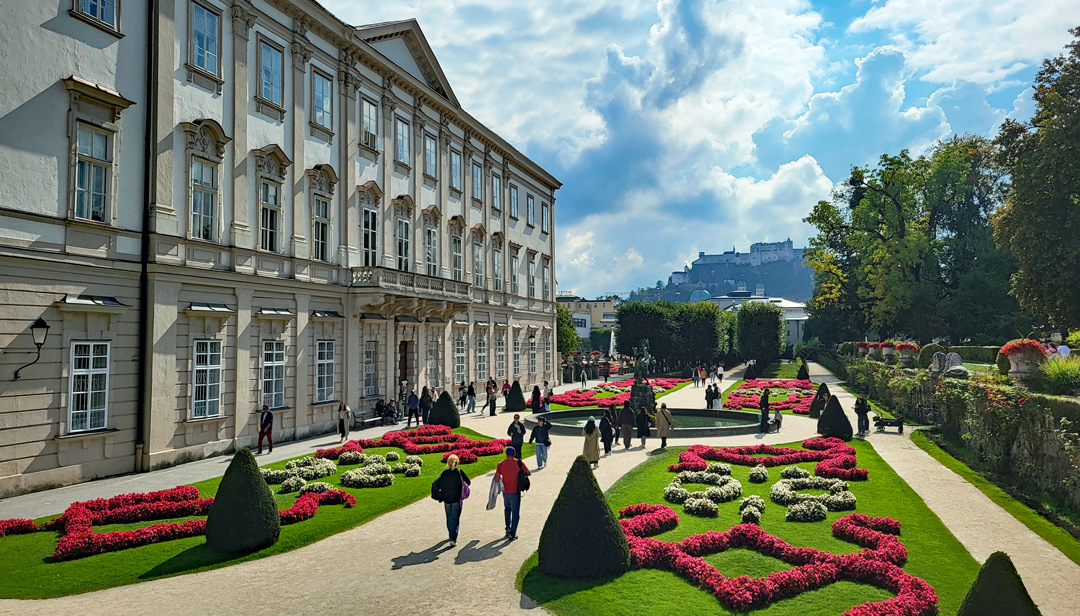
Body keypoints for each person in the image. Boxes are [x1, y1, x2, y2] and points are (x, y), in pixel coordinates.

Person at [433, 454, 471, 547]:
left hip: (447, 499)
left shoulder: (445, 473)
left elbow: (437, 483)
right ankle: (453, 538)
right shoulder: (459, 472)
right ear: (457, 462)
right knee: (455, 518)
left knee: (449, 518)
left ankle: (451, 534)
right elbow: (468, 482)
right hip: (456, 499)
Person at [496, 447, 530, 540]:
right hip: (515, 490)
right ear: (514, 454)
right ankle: (513, 532)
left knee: (507, 509)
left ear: (506, 454)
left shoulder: (500, 464)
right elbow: (528, 473)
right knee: (515, 512)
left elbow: (496, 478)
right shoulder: (519, 463)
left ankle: (507, 528)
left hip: (505, 491)